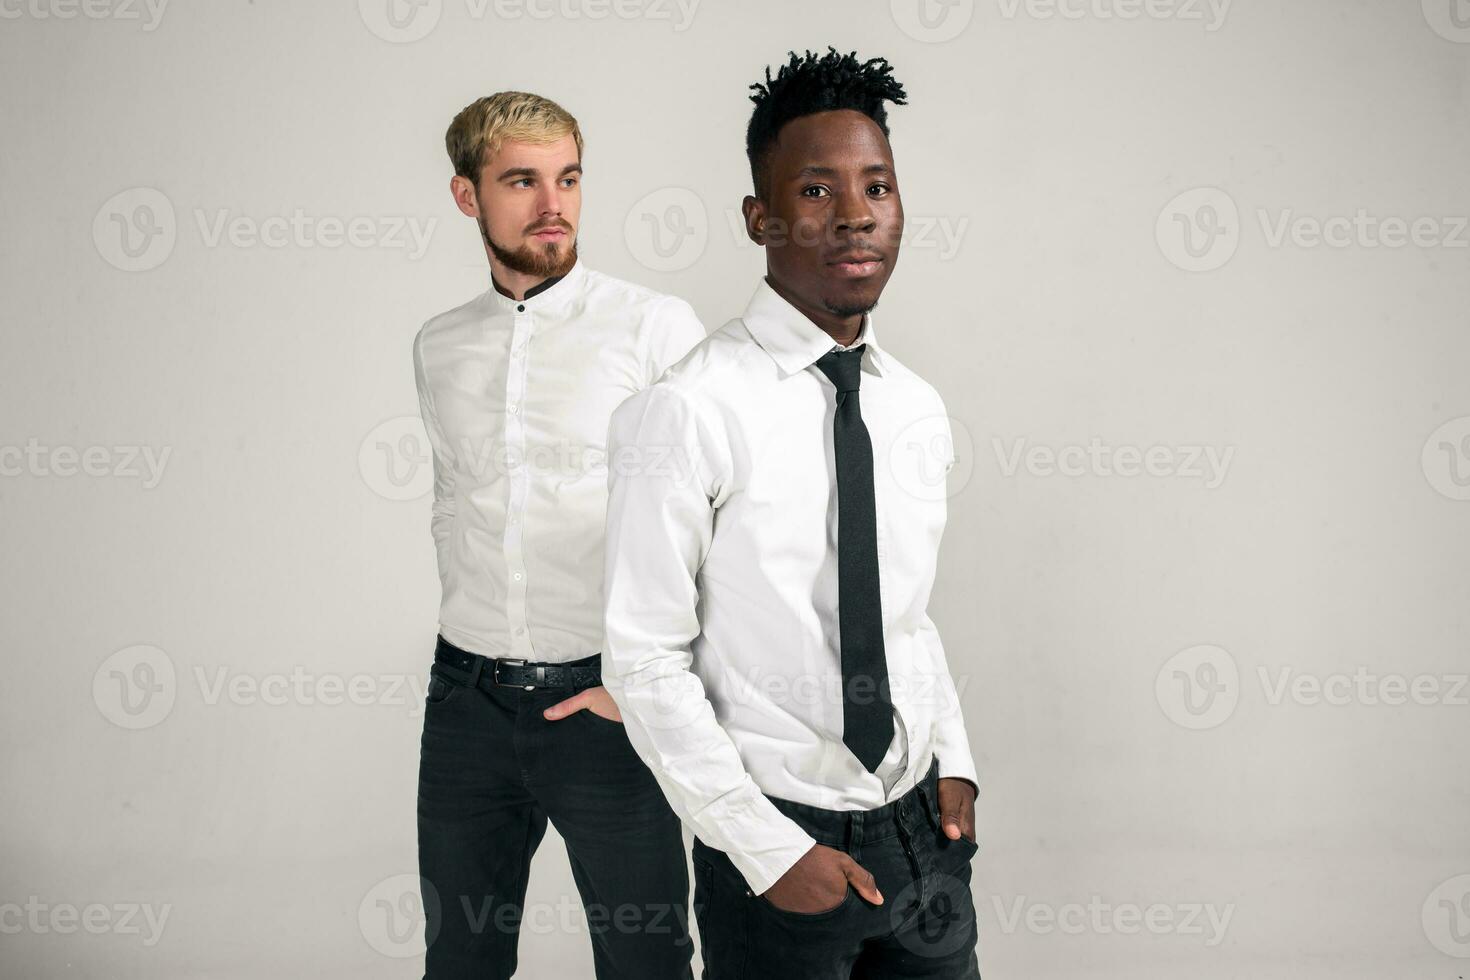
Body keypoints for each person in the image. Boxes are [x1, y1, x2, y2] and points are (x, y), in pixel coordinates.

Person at [602, 49, 982, 979]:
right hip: (781, 845)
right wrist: (768, 853)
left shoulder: (915, 408)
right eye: (816, 190)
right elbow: (644, 657)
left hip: (922, 837)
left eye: (877, 186)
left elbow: (905, 616)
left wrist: (956, 763)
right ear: (759, 217)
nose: (855, 213)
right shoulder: (687, 410)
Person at [412, 90, 705, 979]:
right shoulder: (439, 345)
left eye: (569, 178)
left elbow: (711, 527)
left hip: (605, 707)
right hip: (466, 705)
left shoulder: (656, 329)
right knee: (459, 959)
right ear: (469, 197)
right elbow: (453, 502)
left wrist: (645, 683)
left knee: (646, 960)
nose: (554, 204)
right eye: (523, 181)